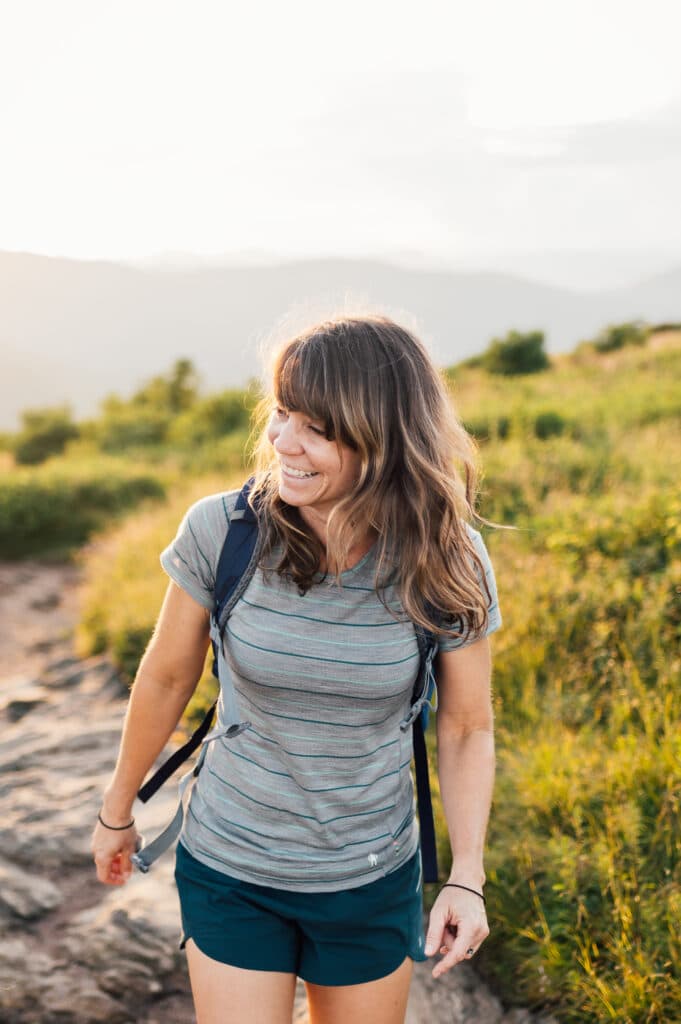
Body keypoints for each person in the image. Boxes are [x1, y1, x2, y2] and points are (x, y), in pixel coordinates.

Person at [91, 314, 503, 1024]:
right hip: (231, 865)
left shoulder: (446, 558)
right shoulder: (223, 532)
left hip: (369, 879)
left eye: (316, 427)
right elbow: (164, 677)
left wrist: (466, 876)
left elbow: (466, 726)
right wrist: (117, 810)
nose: (281, 441)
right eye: (281, 413)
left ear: (383, 437)